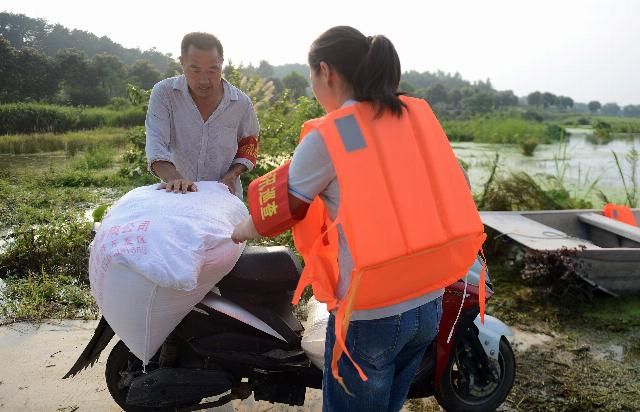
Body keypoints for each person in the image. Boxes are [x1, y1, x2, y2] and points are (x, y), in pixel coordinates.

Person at [232, 26, 485, 412]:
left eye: (311, 77)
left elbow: (283, 208)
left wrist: (238, 230)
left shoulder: (337, 132)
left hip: (372, 313)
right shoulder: (411, 116)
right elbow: (457, 184)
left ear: (325, 71)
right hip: (429, 302)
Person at [145, 32, 259, 196]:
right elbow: (156, 142)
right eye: (195, 70)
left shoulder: (241, 104)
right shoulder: (165, 94)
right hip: (176, 194)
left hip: (223, 197)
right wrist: (174, 179)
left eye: (213, 70)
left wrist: (232, 175)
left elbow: (250, 145)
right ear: (182, 63)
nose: (204, 80)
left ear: (221, 64)